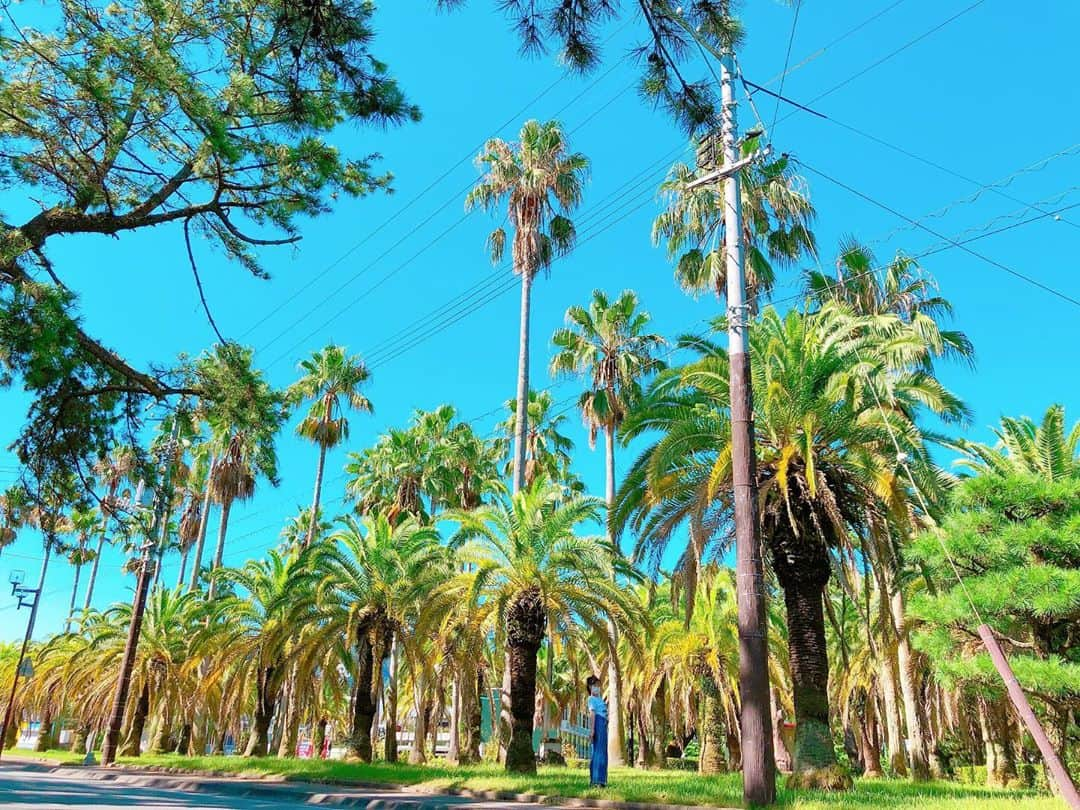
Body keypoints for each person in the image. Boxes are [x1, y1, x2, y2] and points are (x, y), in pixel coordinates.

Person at [586, 674, 608, 788]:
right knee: (598, 752)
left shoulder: (600, 699)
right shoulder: (591, 699)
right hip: (598, 724)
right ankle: (596, 780)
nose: (597, 688)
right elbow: (592, 714)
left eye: (598, 685)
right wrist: (592, 730)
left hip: (603, 724)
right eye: (594, 685)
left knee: (603, 752)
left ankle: (602, 780)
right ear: (590, 687)